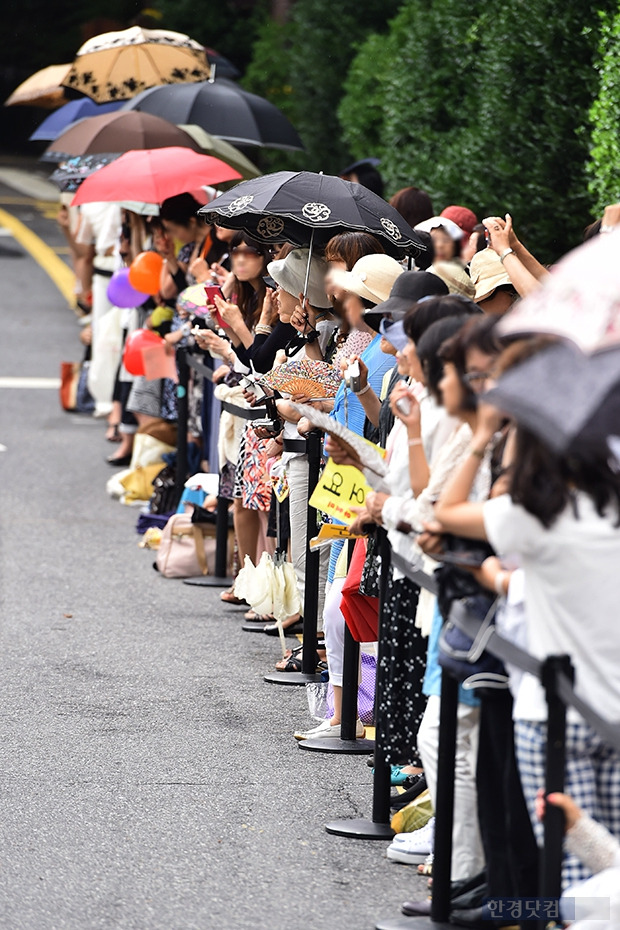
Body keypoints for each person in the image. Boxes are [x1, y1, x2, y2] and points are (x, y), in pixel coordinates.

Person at [432, 361, 620, 887]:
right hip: (612, 706)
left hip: (550, 712)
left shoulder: (533, 512)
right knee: (612, 868)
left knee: (571, 876)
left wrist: (486, 435)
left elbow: (445, 511)